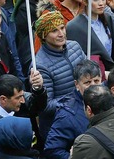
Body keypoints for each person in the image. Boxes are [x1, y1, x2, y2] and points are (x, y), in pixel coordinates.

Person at [43, 59, 102, 159]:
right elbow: (52, 149)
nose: (93, 86)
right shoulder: (67, 113)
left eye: (96, 81)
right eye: (87, 83)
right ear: (77, 84)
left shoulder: (106, 101)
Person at [34, 9, 85, 137]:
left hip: (83, 116)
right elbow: (46, 107)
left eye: (62, 28)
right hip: (60, 128)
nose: (61, 34)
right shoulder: (40, 65)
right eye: (54, 30)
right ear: (44, 36)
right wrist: (74, 99)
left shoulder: (75, 46)